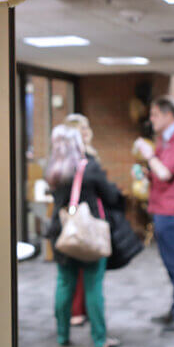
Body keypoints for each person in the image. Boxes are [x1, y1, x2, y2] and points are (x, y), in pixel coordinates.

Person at [45, 125, 122, 347]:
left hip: (61, 233)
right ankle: (99, 338)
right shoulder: (89, 168)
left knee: (64, 283)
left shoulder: (52, 170)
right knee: (93, 285)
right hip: (88, 233)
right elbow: (110, 195)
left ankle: (62, 335)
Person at [133, 96, 174, 333]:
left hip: (172, 208)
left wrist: (149, 155)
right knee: (171, 264)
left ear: (168, 115)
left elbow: (166, 173)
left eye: (154, 115)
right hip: (162, 206)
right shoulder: (166, 139)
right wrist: (146, 172)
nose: (151, 120)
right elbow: (159, 171)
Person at [63, 113, 97, 327]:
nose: (86, 133)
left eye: (87, 128)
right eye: (81, 129)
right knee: (73, 271)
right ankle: (75, 312)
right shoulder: (77, 159)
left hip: (84, 217)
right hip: (77, 219)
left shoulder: (88, 155)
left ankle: (79, 311)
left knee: (83, 270)